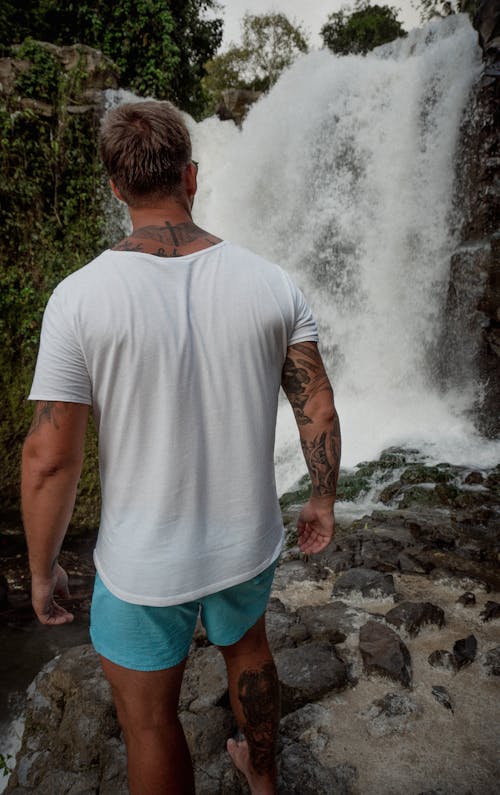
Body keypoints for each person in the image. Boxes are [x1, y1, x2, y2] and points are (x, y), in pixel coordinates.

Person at [21, 100, 341, 795]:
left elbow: (51, 457)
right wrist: (321, 497)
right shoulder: (272, 283)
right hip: (244, 537)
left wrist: (41, 571)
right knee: (248, 648)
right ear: (190, 177)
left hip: (142, 561)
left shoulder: (78, 299)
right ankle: (263, 778)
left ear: (114, 187)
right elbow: (314, 400)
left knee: (151, 725)